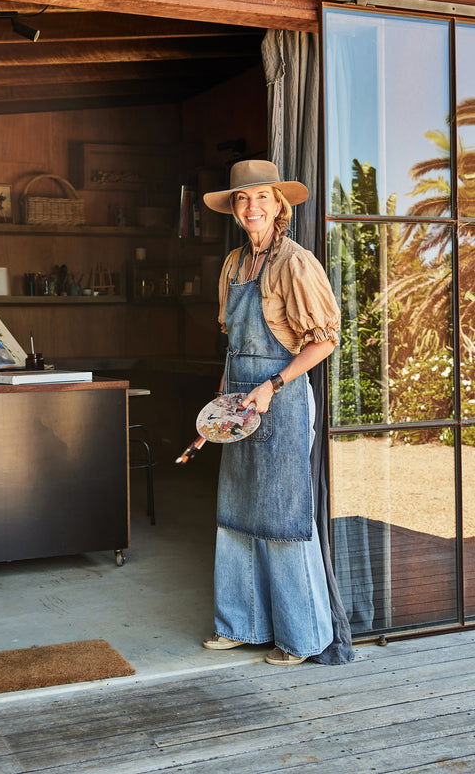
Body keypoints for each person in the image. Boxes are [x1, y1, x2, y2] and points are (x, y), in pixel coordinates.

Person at [201, 159, 347, 666]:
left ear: (278, 204)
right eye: (242, 198)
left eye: (262, 196)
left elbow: (325, 341)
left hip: (280, 402)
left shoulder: (295, 263)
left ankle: (303, 638)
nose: (252, 207)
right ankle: (241, 625)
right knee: (236, 512)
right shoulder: (233, 264)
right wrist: (220, 404)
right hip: (239, 403)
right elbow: (233, 344)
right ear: (234, 209)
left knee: (284, 517)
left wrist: (272, 385)